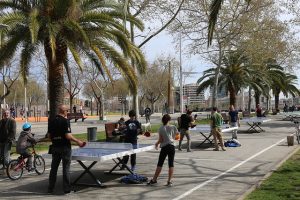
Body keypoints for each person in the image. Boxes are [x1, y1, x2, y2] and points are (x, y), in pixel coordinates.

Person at [47, 105, 84, 194]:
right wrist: (78, 141)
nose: (68, 113)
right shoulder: (65, 121)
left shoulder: (51, 121)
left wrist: (56, 138)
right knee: (66, 169)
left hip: (55, 147)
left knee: (53, 169)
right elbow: (67, 135)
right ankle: (67, 189)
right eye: (67, 111)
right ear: (64, 111)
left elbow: (49, 136)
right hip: (65, 148)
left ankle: (50, 189)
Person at [147, 114, 178, 186]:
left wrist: (156, 143)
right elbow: (177, 135)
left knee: (160, 163)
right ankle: (169, 181)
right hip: (172, 146)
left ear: (162, 121)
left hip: (165, 147)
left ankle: (154, 180)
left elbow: (161, 139)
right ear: (169, 120)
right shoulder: (173, 127)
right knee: (171, 164)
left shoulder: (161, 128)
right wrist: (172, 138)